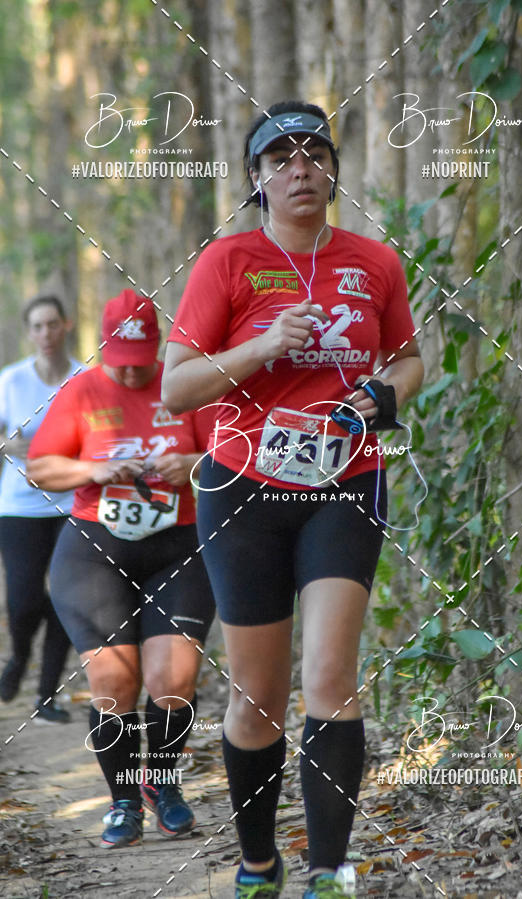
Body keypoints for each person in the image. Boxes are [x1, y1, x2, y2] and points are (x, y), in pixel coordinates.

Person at [161, 100, 424, 898]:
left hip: (345, 483)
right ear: (258, 180)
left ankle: (330, 873)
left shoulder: (374, 262)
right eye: (281, 158)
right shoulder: (228, 263)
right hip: (242, 489)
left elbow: (410, 357)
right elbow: (176, 387)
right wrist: (266, 345)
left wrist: (383, 390)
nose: (300, 167)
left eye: (313, 153)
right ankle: (257, 862)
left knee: (333, 675)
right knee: (257, 697)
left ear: (333, 170)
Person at [27, 289, 215, 848]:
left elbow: (233, 456)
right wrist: (98, 468)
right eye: (121, 364)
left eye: (141, 364)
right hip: (95, 550)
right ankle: (124, 801)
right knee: (113, 683)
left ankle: (163, 785)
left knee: (173, 681)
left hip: (178, 545)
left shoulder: (183, 386)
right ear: (103, 348)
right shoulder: (82, 389)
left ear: (157, 348)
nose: (131, 376)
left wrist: (193, 463)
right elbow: (40, 468)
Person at [0, 295, 82, 723]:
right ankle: (17, 657)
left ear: (66, 325)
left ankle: (47, 695)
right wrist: (14, 446)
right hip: (19, 506)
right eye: (37, 326)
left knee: (67, 597)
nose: (46, 333)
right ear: (29, 332)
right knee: (24, 599)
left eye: (52, 324)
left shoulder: (85, 379)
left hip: (73, 502)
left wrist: (52, 451)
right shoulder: (10, 381)